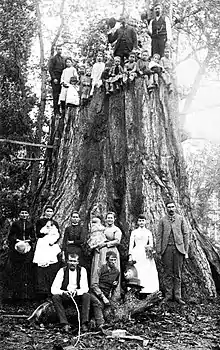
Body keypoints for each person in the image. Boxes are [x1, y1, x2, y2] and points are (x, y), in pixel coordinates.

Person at [156, 200, 189, 304]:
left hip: (179, 249)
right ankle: (168, 295)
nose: (171, 209)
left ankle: (178, 296)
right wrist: (159, 250)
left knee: (178, 273)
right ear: (166, 208)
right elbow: (159, 236)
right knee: (167, 273)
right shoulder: (162, 220)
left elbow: (186, 234)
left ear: (175, 207)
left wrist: (185, 250)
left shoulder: (181, 219)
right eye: (169, 207)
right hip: (167, 249)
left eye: (172, 207)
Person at [51, 253, 90, 333]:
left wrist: (77, 292)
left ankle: (84, 323)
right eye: (70, 261)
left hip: (77, 296)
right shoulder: (62, 271)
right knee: (55, 297)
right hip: (66, 296)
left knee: (87, 295)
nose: (72, 263)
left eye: (74, 261)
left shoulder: (82, 270)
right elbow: (53, 289)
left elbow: (85, 288)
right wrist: (63, 292)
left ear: (78, 262)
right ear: (67, 262)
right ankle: (64, 323)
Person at [90, 212, 122, 299]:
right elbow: (96, 237)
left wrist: (105, 244)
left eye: (111, 218)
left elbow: (117, 241)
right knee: (99, 268)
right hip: (101, 252)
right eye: (108, 218)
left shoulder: (116, 229)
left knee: (112, 270)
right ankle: (98, 291)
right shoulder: (102, 228)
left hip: (111, 250)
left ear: (114, 219)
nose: (110, 219)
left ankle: (114, 295)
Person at [7, 206, 36, 300]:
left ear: (28, 215)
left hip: (27, 250)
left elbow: (34, 238)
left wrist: (29, 240)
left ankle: (26, 295)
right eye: (22, 213)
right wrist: (17, 240)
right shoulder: (15, 224)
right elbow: (11, 237)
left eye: (26, 213)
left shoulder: (30, 225)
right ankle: (14, 295)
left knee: (26, 270)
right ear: (19, 214)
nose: (24, 215)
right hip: (16, 250)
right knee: (16, 271)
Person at [128, 214, 159, 296]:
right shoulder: (134, 232)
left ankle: (148, 289)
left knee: (147, 270)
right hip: (136, 252)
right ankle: (135, 288)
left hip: (145, 254)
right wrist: (130, 255)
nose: (141, 222)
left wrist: (150, 251)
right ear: (137, 222)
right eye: (140, 221)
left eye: (143, 221)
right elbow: (131, 244)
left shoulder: (148, 232)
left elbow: (151, 244)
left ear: (145, 222)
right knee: (137, 270)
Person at [35, 205, 60, 299]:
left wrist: (53, 240)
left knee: (51, 267)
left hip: (51, 245)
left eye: (51, 211)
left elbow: (58, 234)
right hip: (42, 245)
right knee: (41, 267)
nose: (49, 213)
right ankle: (42, 292)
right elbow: (38, 233)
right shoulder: (40, 222)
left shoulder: (55, 223)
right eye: (47, 211)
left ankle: (50, 291)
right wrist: (47, 229)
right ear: (44, 212)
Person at [90, 251, 120, 329]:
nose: (113, 262)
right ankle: (101, 325)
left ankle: (94, 321)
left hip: (106, 295)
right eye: (111, 260)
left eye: (114, 260)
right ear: (107, 260)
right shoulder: (100, 269)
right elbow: (94, 285)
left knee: (111, 309)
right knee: (98, 303)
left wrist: (114, 285)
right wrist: (103, 297)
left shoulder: (116, 272)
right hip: (95, 293)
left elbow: (114, 289)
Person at [48, 45, 65, 115]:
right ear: (56, 50)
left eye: (61, 49)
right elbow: (50, 69)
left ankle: (63, 110)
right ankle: (56, 111)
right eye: (58, 49)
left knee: (63, 94)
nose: (60, 51)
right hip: (55, 78)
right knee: (56, 95)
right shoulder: (53, 59)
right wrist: (54, 78)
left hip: (62, 78)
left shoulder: (63, 59)